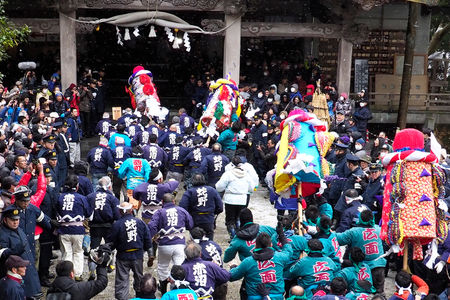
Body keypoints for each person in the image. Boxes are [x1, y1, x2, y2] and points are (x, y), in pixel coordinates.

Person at [148, 193, 194, 294]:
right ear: (174, 201)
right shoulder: (182, 210)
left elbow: (152, 226)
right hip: (179, 244)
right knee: (179, 267)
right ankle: (178, 290)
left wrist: (151, 237)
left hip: (164, 244)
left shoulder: (159, 212)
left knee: (163, 267)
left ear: (162, 202)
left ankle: (164, 291)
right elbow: (190, 224)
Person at [229, 229, 292, 300]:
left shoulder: (248, 261)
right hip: (277, 296)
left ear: (255, 246)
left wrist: (233, 267)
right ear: (271, 245)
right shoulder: (280, 257)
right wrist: (281, 235)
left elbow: (232, 276)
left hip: (254, 297)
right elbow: (288, 250)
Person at [108, 202, 152, 300]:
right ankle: (141, 296)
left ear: (120, 211)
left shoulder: (117, 224)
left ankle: (122, 297)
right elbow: (147, 239)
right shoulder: (140, 222)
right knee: (139, 277)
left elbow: (111, 241)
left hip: (123, 255)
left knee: (122, 279)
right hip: (137, 255)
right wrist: (149, 253)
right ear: (131, 210)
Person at [336, 209, 386, 294]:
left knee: (358, 293)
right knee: (379, 294)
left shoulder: (353, 232)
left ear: (360, 219)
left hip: (361, 268)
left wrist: (329, 232)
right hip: (379, 266)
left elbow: (339, 239)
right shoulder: (379, 229)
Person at [56, 174, 93, 281]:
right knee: (78, 252)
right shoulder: (82, 198)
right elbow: (89, 215)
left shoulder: (60, 197)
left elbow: (56, 212)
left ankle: (67, 274)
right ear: (77, 186)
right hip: (78, 230)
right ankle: (77, 274)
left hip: (63, 230)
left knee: (66, 252)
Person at [0, 206, 42, 298]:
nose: (15, 222)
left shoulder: (18, 229)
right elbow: (2, 254)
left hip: (27, 272)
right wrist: (13, 251)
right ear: (5, 220)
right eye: (12, 220)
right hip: (15, 275)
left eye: (17, 219)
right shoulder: (2, 234)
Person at [216, 156, 256, 239]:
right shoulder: (246, 174)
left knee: (230, 220)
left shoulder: (228, 174)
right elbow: (252, 187)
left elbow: (219, 187)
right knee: (239, 218)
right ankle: (240, 234)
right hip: (242, 199)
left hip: (230, 199)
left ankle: (233, 236)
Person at [179, 173, 223, 240]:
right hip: (208, 219)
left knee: (195, 240)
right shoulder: (212, 190)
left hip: (195, 219)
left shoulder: (190, 192)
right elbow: (220, 207)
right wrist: (213, 213)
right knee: (209, 240)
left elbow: (182, 207)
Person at [87, 176, 120, 250]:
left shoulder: (90, 196)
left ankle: (93, 261)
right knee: (109, 248)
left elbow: (87, 212)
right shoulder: (112, 198)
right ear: (109, 187)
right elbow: (117, 215)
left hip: (94, 226)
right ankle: (107, 261)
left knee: (94, 249)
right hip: (108, 226)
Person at [118, 146, 151, 210]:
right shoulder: (145, 162)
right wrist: (146, 183)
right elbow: (148, 175)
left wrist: (123, 177)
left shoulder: (128, 161)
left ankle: (131, 216)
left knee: (132, 204)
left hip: (131, 185)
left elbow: (120, 172)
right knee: (138, 204)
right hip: (142, 186)